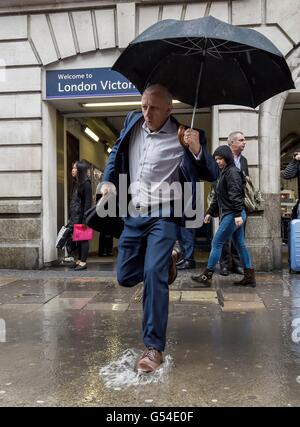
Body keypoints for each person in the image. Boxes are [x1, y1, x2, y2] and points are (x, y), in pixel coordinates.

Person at [100, 84, 218, 373]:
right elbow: (116, 151)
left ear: (169, 109)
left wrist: (197, 149)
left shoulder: (185, 135)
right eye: (143, 105)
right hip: (134, 212)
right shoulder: (132, 122)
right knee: (125, 275)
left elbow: (212, 172)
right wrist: (107, 179)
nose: (146, 113)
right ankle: (167, 260)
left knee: (153, 276)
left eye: (153, 108)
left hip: (164, 215)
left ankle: (154, 348)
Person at [191, 145, 256, 288]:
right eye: (216, 159)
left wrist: (238, 214)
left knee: (216, 242)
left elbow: (236, 195)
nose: (218, 161)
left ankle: (206, 276)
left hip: (233, 214)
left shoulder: (232, 172)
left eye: (220, 158)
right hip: (232, 214)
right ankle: (249, 277)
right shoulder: (223, 173)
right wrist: (209, 212)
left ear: (227, 157)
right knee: (240, 245)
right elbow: (217, 197)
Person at [219, 131, 249, 276]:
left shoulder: (244, 161)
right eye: (241, 140)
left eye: (244, 140)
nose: (244, 142)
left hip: (238, 204)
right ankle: (224, 265)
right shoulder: (221, 159)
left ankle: (237, 265)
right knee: (223, 236)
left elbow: (245, 183)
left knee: (238, 235)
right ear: (232, 143)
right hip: (225, 204)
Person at [69, 160, 92, 271]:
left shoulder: (86, 183)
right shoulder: (76, 182)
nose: (72, 170)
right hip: (75, 216)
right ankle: (78, 260)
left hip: (82, 216)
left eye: (74, 168)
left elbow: (87, 203)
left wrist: (85, 219)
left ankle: (83, 262)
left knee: (84, 239)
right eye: (73, 168)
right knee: (77, 239)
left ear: (80, 170)